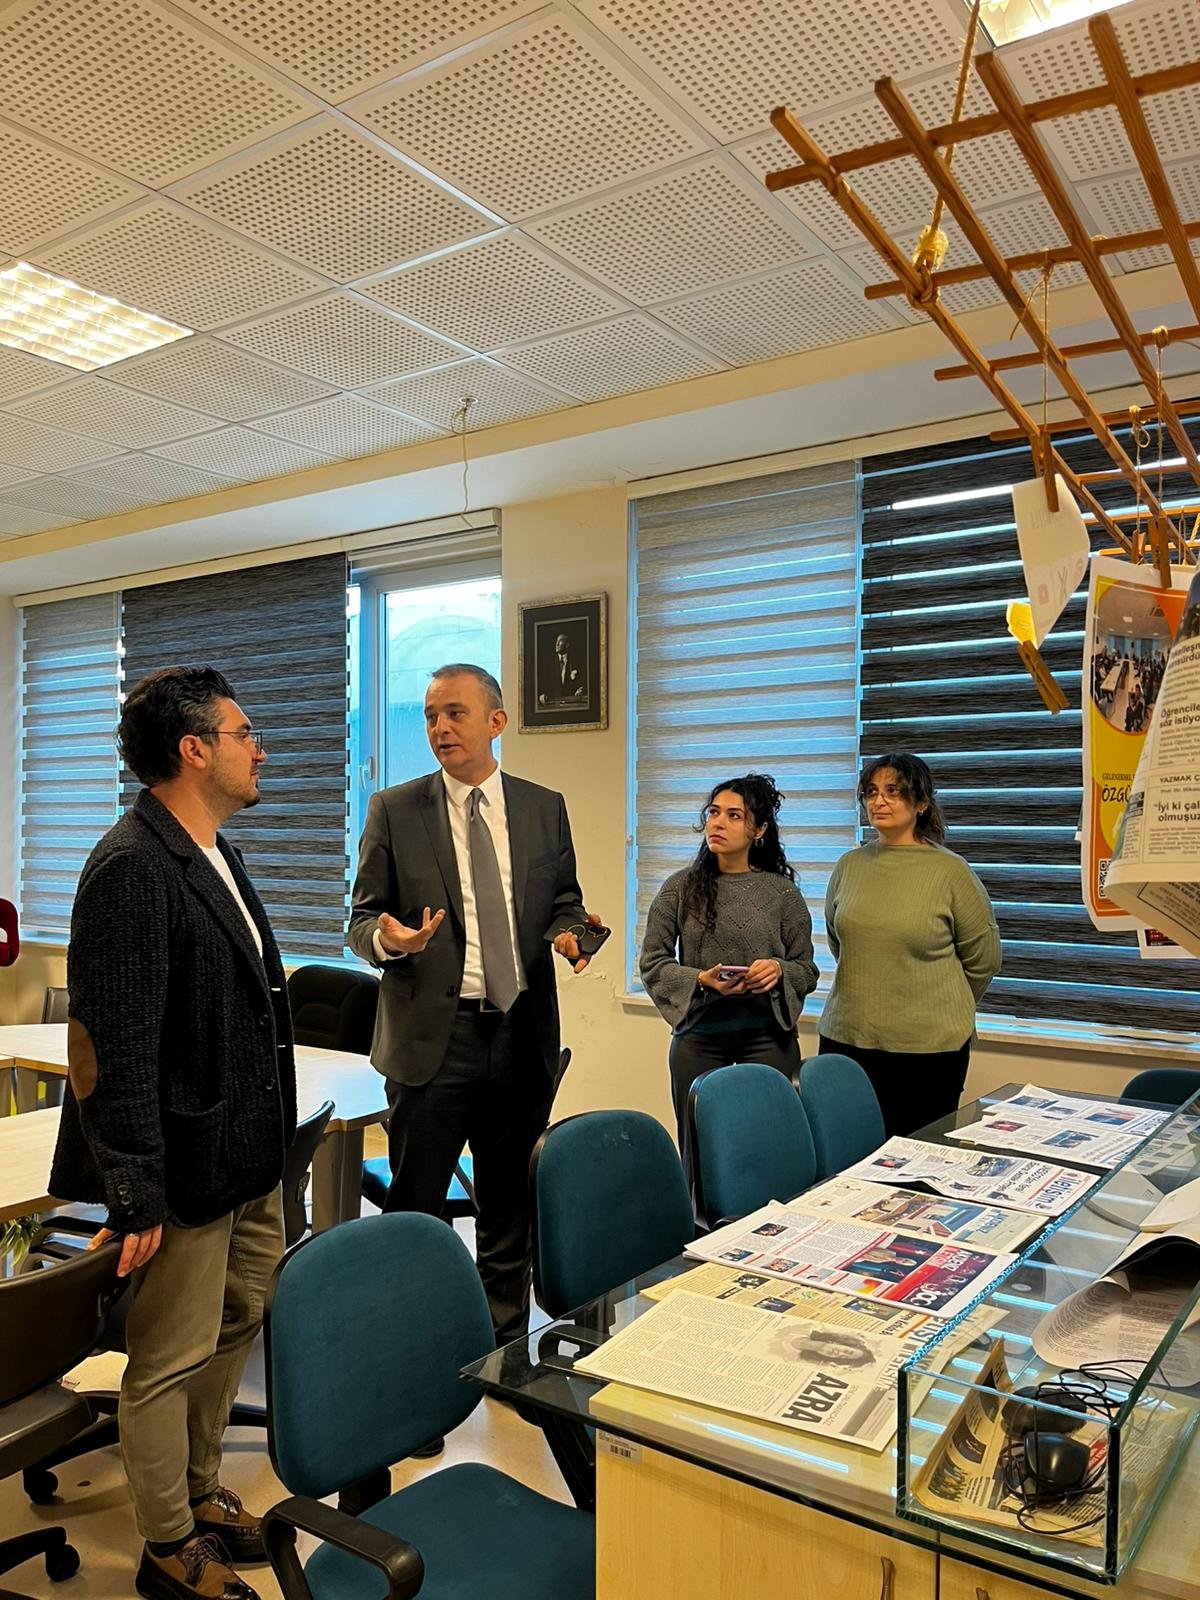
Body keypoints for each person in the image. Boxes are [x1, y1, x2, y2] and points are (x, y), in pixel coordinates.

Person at [48, 666, 294, 1600]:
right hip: (184, 1168)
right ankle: (165, 1544)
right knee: (168, 1356)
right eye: (243, 733)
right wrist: (134, 1189)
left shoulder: (213, 850)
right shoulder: (131, 865)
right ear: (194, 750)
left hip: (245, 1156)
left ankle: (196, 1489)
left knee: (236, 1322)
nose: (259, 748)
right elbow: (109, 1049)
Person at [348, 662, 602, 1347]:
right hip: (434, 1039)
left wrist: (572, 934)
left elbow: (564, 900)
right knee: (416, 1207)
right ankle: (413, 1348)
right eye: (431, 715)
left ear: (496, 722)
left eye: (455, 713)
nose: (440, 727)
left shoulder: (543, 807)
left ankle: (503, 1346)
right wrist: (390, 940)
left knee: (508, 1204)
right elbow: (361, 920)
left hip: (521, 1034)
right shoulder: (395, 810)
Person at [639, 773, 818, 1175]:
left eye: (734, 815)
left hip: (767, 1037)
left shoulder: (782, 894)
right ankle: (699, 1216)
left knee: (772, 1149)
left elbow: (806, 968)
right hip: (699, 1038)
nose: (717, 823)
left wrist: (778, 971)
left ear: (759, 830)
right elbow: (653, 962)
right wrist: (700, 980)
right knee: (701, 1155)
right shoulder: (679, 888)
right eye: (714, 812)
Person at [819, 752, 1001, 1138]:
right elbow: (841, 942)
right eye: (871, 792)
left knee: (916, 1161)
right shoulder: (849, 866)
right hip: (846, 1038)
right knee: (845, 1156)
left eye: (894, 791)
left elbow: (984, 960)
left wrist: (934, 1005)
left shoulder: (951, 872)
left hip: (929, 1051)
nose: (879, 801)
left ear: (921, 803)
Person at [537, 628, 586, 706]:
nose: (556, 644)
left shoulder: (577, 661)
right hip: (553, 703)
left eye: (560, 641)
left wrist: (581, 689)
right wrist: (541, 694)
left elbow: (583, 681)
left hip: (572, 703)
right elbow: (542, 682)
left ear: (567, 644)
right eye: (556, 641)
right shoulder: (548, 663)